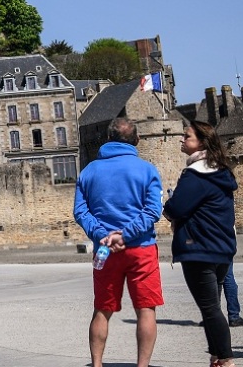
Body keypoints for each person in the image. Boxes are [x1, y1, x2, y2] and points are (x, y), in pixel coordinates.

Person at [74, 117, 164, 367]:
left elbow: (81, 212)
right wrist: (125, 235)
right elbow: (153, 211)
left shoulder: (89, 171)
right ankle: (142, 366)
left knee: (102, 308)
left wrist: (103, 234)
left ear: (108, 139)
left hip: (104, 249)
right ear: (136, 140)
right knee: (146, 309)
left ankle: (97, 364)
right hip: (141, 249)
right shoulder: (147, 170)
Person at [165, 119, 238, 367]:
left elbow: (177, 207)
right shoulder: (221, 172)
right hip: (221, 248)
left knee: (209, 308)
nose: (182, 140)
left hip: (199, 247)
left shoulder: (195, 175)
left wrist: (168, 209)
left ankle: (226, 359)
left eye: (187, 136)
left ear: (201, 143)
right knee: (212, 307)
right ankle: (216, 356)